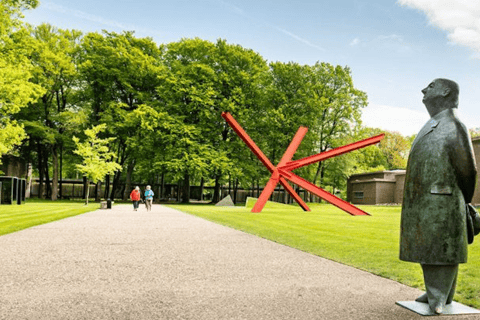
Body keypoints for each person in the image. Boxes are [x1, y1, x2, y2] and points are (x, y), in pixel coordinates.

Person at [399, 78, 477, 314]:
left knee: (440, 248)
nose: (424, 89)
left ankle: (439, 296)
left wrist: (462, 200)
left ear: (446, 92)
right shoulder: (434, 124)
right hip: (425, 202)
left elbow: (468, 170)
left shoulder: (454, 124)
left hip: (442, 201)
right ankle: (438, 292)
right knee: (429, 247)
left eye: (431, 86)